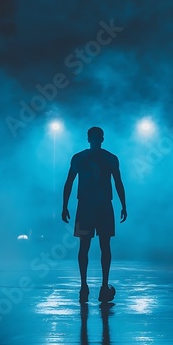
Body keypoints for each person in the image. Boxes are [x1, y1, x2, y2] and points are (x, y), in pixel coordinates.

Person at [62, 126, 127, 303]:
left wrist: (65, 206)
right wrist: (123, 205)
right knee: (105, 245)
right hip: (104, 206)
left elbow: (68, 183)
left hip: (85, 207)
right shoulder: (110, 158)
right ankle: (104, 286)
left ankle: (84, 286)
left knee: (84, 246)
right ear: (102, 139)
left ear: (88, 138)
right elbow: (118, 183)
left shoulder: (79, 158)